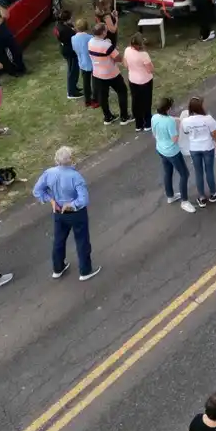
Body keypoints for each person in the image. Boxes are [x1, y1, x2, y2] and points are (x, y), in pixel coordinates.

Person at [32, 146, 98, 281]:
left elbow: (37, 191)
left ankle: (58, 268)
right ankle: (85, 270)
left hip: (58, 212)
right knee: (82, 240)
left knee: (59, 240)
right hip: (76, 213)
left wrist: (50, 200)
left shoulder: (49, 173)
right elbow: (83, 200)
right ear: (71, 160)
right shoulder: (76, 177)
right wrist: (72, 205)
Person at [152, 97, 198, 213]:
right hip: (172, 152)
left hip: (160, 149)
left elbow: (154, 133)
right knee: (184, 174)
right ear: (168, 109)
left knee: (168, 172)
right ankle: (185, 201)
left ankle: (170, 196)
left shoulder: (155, 117)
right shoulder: (170, 122)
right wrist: (178, 130)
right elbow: (174, 139)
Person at [180, 96, 216, 207]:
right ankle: (214, 193)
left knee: (198, 172)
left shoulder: (185, 121)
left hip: (194, 148)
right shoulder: (207, 119)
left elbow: (186, 132)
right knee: (209, 170)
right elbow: (214, 133)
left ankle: (201, 197)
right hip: (207, 147)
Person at [87, 22, 129, 125]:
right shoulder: (106, 45)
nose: (107, 31)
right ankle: (124, 117)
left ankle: (108, 117)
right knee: (122, 91)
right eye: (106, 29)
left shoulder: (90, 42)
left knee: (103, 96)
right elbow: (118, 58)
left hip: (97, 73)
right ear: (102, 33)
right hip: (111, 73)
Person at [124, 33, 154, 131]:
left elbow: (125, 64)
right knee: (146, 102)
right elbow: (150, 69)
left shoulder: (127, 50)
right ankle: (147, 123)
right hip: (145, 81)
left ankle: (138, 124)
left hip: (132, 79)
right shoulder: (143, 55)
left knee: (136, 101)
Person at [70, 18, 98, 110]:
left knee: (86, 82)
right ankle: (95, 100)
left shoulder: (73, 38)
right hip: (92, 62)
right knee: (95, 82)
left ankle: (87, 100)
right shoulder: (90, 38)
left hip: (82, 62)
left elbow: (75, 49)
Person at [54, 7, 82, 100]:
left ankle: (73, 87)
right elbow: (75, 35)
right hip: (70, 51)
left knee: (72, 69)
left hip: (65, 49)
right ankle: (71, 92)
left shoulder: (59, 25)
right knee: (73, 71)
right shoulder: (66, 30)